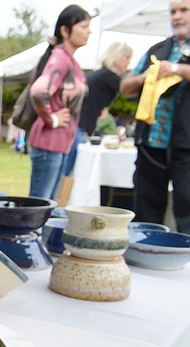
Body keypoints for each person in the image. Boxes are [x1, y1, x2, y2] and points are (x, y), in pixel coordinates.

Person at [120, 0, 190, 233]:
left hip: (186, 146)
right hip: (151, 143)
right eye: (173, 12)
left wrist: (177, 69)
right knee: (147, 206)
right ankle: (147, 254)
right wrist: (144, 77)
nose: (177, 17)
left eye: (184, 10)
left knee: (187, 207)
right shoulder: (157, 50)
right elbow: (125, 87)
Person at [27, 5, 91, 201]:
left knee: (49, 205)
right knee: (39, 205)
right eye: (84, 26)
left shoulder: (69, 60)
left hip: (60, 144)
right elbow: (39, 91)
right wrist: (52, 119)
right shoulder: (60, 58)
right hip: (49, 143)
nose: (89, 31)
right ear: (65, 31)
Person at [61, 41, 133, 175]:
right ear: (117, 57)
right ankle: (59, 196)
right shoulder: (110, 78)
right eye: (127, 58)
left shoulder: (101, 75)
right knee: (67, 172)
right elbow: (131, 93)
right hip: (80, 126)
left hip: (77, 124)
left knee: (67, 170)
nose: (128, 63)